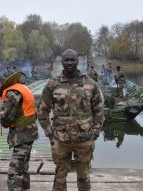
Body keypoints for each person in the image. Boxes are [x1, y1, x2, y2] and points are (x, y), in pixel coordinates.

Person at [37, 49, 105, 191]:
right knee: (60, 177)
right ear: (62, 61)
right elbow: (42, 112)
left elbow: (99, 111)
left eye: (72, 60)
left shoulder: (90, 84)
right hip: (61, 140)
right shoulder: (52, 85)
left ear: (77, 61)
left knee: (84, 177)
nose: (69, 63)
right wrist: (50, 135)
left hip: (85, 140)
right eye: (66, 60)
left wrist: (95, 132)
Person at [0, 72, 38, 191]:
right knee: (23, 166)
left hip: (22, 135)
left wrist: (3, 122)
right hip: (30, 132)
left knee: (14, 169)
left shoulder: (12, 93)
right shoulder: (22, 87)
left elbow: (7, 117)